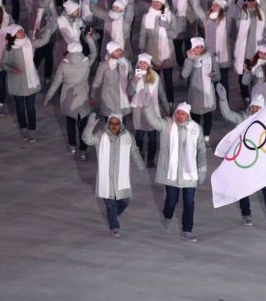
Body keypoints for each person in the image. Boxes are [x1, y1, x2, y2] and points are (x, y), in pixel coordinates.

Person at [216, 86, 266, 229]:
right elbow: (227, 114)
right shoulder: (242, 120)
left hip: (261, 162)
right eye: (252, 107)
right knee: (242, 188)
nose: (254, 110)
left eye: (257, 108)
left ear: (262, 109)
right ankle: (246, 214)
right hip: (244, 161)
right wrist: (222, 99)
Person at [142, 100, 207, 242]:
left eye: (182, 114)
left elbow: (201, 150)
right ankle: (167, 215)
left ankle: (187, 230)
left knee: (189, 202)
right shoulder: (167, 125)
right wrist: (147, 106)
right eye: (177, 112)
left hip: (189, 173)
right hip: (171, 173)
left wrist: (202, 169)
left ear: (188, 116)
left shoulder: (195, 129)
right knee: (172, 200)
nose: (179, 116)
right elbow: (153, 121)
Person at [82, 112, 145, 237]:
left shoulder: (128, 136)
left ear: (121, 124)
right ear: (108, 123)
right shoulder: (101, 135)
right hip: (106, 178)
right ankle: (114, 226)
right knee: (110, 204)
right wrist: (89, 126)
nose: (114, 126)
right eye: (111, 123)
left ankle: (114, 215)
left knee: (125, 201)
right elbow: (87, 139)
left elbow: (134, 151)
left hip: (122, 178)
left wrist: (140, 165)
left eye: (117, 123)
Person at [44, 34, 97, 161]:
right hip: (82, 97)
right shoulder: (86, 63)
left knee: (70, 123)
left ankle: (72, 146)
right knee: (83, 125)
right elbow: (94, 53)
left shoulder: (63, 65)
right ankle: (83, 151)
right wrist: (89, 39)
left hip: (68, 98)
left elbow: (56, 83)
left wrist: (48, 97)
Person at [1, 23, 54, 143]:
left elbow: (43, 41)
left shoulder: (29, 43)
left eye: (22, 30)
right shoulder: (9, 48)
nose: (22, 33)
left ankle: (32, 131)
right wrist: (12, 69)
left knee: (30, 108)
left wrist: (49, 29)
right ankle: (23, 128)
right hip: (18, 83)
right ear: (13, 35)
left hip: (31, 81)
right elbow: (3, 64)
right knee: (20, 108)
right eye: (19, 31)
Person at [128, 52, 170, 168]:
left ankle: (151, 159)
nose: (142, 65)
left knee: (152, 136)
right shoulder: (135, 75)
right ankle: (139, 155)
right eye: (140, 62)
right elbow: (129, 92)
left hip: (152, 109)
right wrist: (134, 81)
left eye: (145, 63)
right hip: (139, 109)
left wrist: (167, 108)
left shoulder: (155, 76)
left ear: (149, 64)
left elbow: (161, 93)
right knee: (139, 135)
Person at [138, 0, 179, 105]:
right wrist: (141, 50)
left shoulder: (170, 16)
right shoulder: (146, 16)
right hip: (152, 53)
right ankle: (153, 101)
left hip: (167, 53)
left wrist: (166, 26)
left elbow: (174, 35)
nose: (155, 4)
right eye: (154, 1)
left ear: (163, 3)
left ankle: (170, 102)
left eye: (158, 2)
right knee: (152, 80)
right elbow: (143, 34)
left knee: (168, 80)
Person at [230, 0, 266, 106]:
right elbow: (234, 13)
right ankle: (245, 96)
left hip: (257, 53)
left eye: (253, 0)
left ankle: (253, 97)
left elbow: (265, 31)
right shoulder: (242, 13)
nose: (251, 2)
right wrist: (240, 1)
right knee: (242, 77)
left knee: (255, 77)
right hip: (244, 53)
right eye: (248, 0)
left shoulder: (260, 14)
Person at [181, 37, 221, 146]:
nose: (199, 49)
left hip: (208, 95)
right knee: (195, 120)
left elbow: (218, 76)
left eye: (201, 47)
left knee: (208, 118)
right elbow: (184, 75)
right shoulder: (189, 59)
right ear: (193, 48)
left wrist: (213, 76)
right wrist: (189, 60)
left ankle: (206, 138)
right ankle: (196, 139)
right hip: (195, 95)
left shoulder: (209, 57)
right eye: (196, 47)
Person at [191, 0, 231, 96]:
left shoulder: (226, 19)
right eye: (213, 4)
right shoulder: (206, 18)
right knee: (211, 80)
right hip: (209, 56)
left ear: (221, 8)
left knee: (223, 81)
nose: (213, 6)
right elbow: (196, 7)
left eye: (216, 5)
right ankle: (213, 102)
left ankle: (224, 102)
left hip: (223, 57)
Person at [24, 0, 58, 86]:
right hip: (37, 29)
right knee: (38, 53)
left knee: (49, 53)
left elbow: (52, 9)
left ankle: (47, 76)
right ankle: (31, 76)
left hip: (49, 27)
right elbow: (43, 4)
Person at [91, 41, 133, 121]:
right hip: (109, 99)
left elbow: (131, 73)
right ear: (111, 53)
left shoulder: (125, 62)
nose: (120, 52)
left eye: (120, 49)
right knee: (110, 124)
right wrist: (93, 95)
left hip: (122, 98)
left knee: (123, 122)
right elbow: (97, 81)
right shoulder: (104, 65)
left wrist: (131, 85)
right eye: (116, 50)